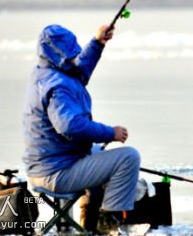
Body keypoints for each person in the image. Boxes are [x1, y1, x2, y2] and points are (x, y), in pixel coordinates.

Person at [22, 24, 140, 234]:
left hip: (45, 165)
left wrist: (97, 43)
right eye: (68, 54)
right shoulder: (58, 87)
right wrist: (110, 133)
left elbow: (78, 72)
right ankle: (107, 223)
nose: (72, 58)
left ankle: (88, 218)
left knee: (97, 153)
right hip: (57, 173)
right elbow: (70, 126)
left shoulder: (44, 72)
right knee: (128, 157)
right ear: (57, 54)